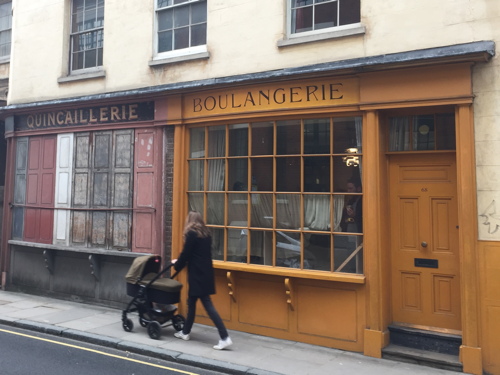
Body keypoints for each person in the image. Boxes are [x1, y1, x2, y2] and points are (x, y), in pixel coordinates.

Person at [172, 211, 233, 350]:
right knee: (191, 302)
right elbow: (198, 254)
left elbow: (186, 254)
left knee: (208, 305)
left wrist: (177, 265)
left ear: (190, 221)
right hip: (205, 273)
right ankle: (185, 332)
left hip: (197, 274)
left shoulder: (192, 234)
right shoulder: (206, 234)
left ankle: (224, 337)